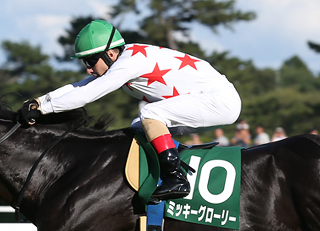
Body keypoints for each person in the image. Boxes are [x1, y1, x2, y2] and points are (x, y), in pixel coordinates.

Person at [17, 20, 242, 200]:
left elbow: (87, 95)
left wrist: (44, 109)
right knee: (136, 128)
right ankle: (156, 175)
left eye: (91, 61)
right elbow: (81, 86)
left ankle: (176, 177)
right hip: (212, 98)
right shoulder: (124, 58)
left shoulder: (129, 62)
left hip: (220, 100)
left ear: (111, 54)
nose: (88, 69)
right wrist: (39, 101)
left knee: (150, 114)